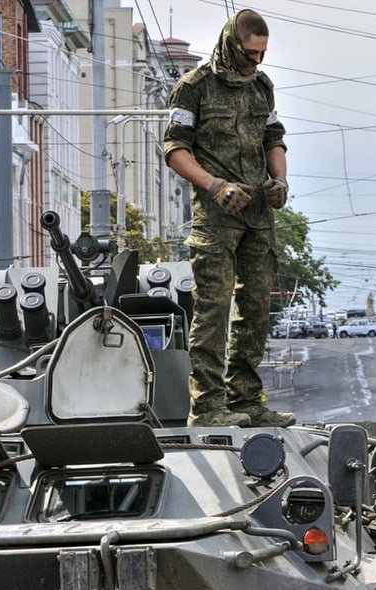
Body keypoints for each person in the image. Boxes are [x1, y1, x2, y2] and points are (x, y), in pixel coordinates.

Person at [163, 8, 294, 428]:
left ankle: (245, 401)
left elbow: (274, 138)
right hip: (216, 215)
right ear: (231, 44)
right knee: (214, 310)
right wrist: (215, 185)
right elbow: (174, 150)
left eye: (263, 54)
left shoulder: (262, 87)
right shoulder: (194, 87)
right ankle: (207, 408)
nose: (258, 61)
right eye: (251, 53)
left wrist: (279, 181)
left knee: (256, 308)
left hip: (258, 213)